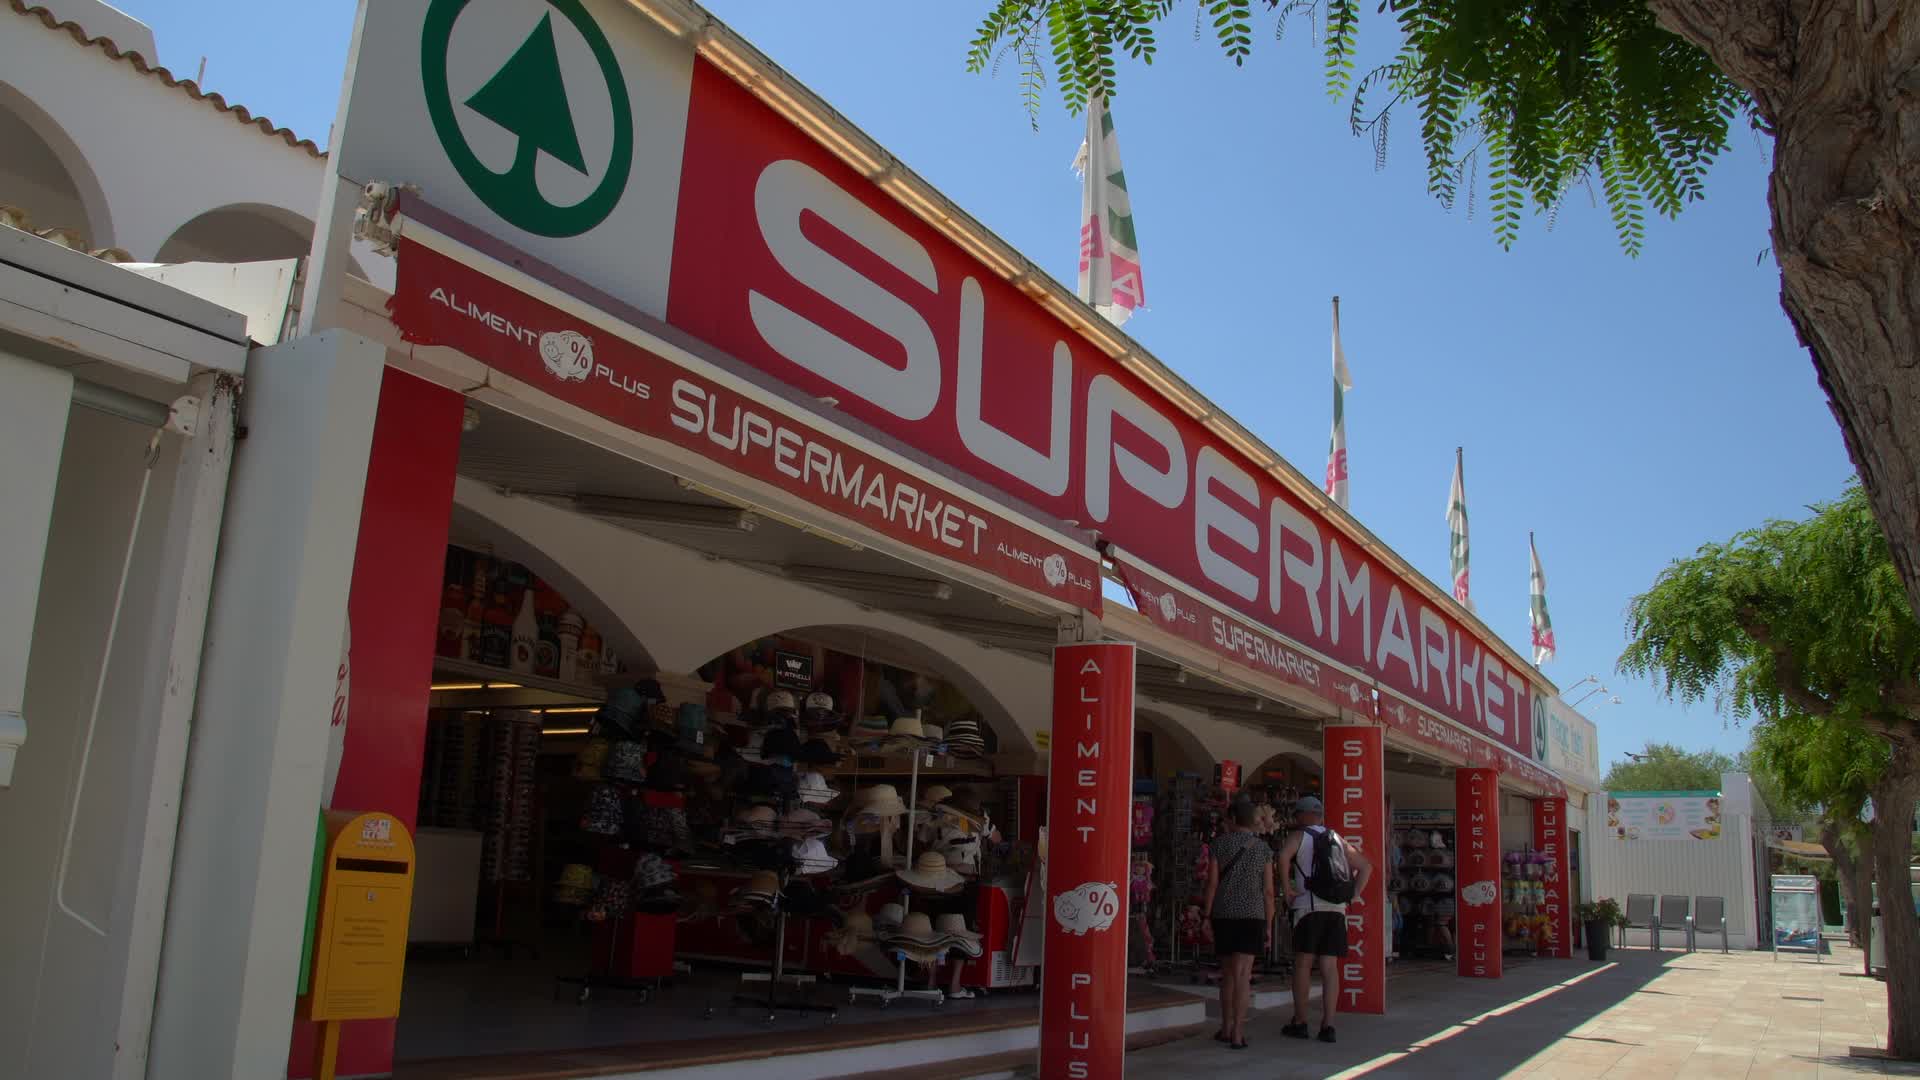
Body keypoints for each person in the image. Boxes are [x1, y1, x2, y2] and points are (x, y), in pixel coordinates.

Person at [1279, 795, 1373, 1044]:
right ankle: (1328, 1025)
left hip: (1308, 908)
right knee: (1329, 968)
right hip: (1336, 910)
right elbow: (1366, 867)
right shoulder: (1337, 839)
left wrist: (1287, 888)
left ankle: (1300, 1021)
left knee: (1303, 965)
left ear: (1302, 815)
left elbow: (1282, 857)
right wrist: (1352, 895)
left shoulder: (1299, 836)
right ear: (1320, 815)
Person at [1200, 798, 1273, 1050]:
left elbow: (1212, 884)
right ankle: (1238, 1034)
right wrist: (1269, 923)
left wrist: (1206, 915)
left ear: (1231, 818)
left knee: (1228, 975)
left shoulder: (1219, 845)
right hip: (1253, 915)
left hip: (1224, 915)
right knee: (1243, 975)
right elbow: (1268, 891)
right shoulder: (1263, 849)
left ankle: (1226, 1027)